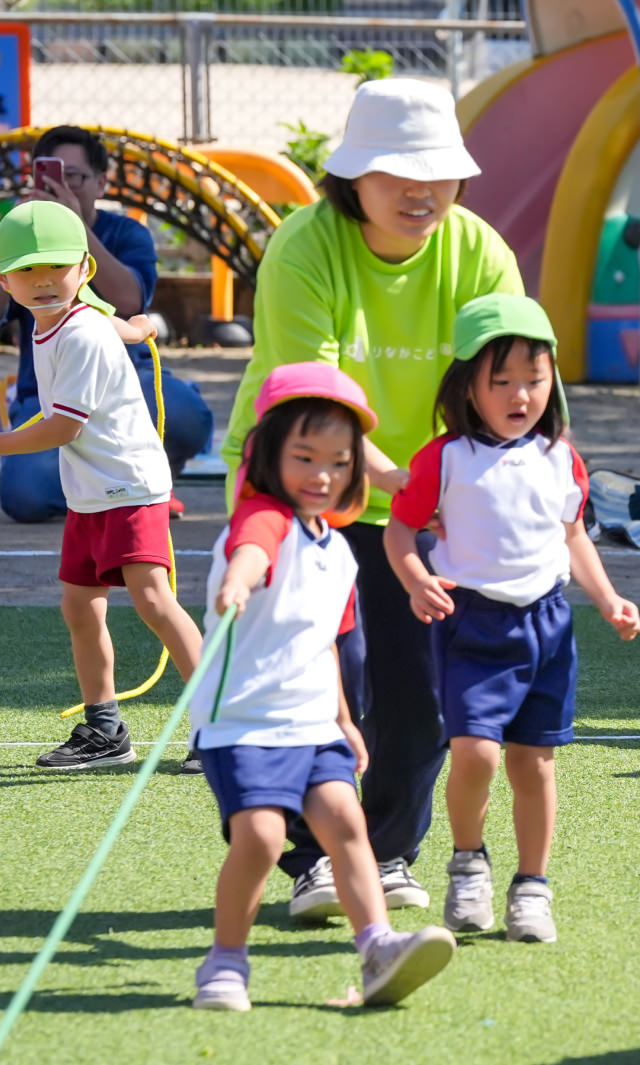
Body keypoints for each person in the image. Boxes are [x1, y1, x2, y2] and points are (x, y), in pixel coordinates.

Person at [220, 78, 525, 920]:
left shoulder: (480, 252)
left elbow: (506, 385)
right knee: (322, 679)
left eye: (436, 172)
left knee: (423, 684)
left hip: (418, 496)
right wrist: (400, 478)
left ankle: (386, 849)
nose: (420, 191)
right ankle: (312, 856)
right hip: (303, 478)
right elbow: (317, 398)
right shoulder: (303, 247)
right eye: (396, 172)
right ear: (353, 177)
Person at [191, 362, 455, 1011]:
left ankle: (377, 947)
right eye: (303, 456)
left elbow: (328, 643)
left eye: (338, 461)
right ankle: (225, 961)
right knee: (261, 835)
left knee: (345, 823)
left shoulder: (335, 549)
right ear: (267, 454)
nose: (321, 474)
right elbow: (254, 546)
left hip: (312, 720)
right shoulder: (263, 519)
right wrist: (237, 580)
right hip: (244, 720)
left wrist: (342, 718)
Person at [384, 294, 640, 942]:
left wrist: (607, 598)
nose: (518, 393)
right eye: (499, 379)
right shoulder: (444, 457)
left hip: (548, 623)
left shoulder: (561, 454)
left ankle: (533, 884)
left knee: (535, 763)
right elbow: (400, 527)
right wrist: (416, 579)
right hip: (472, 622)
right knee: (473, 751)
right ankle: (468, 861)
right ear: (466, 385)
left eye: (533, 377)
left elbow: (573, 533)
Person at [0, 200, 202, 771]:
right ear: (3, 279)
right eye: (27, 271)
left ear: (83, 268)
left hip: (128, 486)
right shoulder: (59, 320)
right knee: (80, 607)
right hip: (92, 491)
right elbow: (119, 321)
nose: (43, 281)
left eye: (56, 267)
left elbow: (63, 425)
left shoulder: (77, 334)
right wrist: (137, 326)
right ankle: (106, 730)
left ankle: (219, 725)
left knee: (155, 602)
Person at [0, 125, 213, 523]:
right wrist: (19, 241)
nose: (63, 186)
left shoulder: (126, 232)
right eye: (50, 176)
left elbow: (128, 302)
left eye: (72, 176)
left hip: (126, 379)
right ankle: (105, 488)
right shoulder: (22, 236)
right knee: (24, 497)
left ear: (102, 182)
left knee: (185, 415)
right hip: (47, 393)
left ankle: (149, 481)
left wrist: (75, 228)